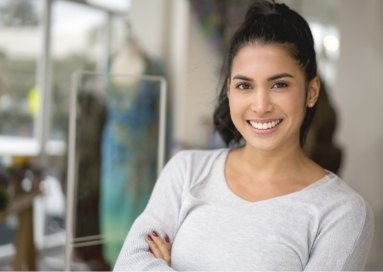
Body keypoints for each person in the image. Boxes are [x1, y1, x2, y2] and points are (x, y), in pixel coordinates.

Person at [113, 0, 375, 270]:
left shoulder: (343, 212)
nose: (260, 106)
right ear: (229, 91)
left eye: (279, 84)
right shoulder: (186, 171)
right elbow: (129, 263)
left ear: (312, 92)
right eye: (244, 85)